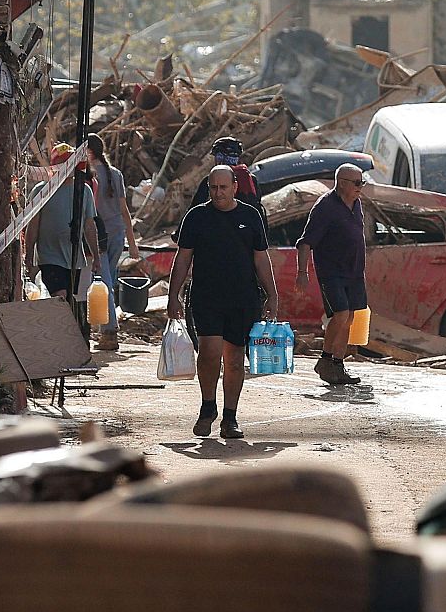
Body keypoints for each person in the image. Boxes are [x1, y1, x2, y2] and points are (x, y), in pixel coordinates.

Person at [167, 166, 279, 439]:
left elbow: (261, 258)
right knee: (209, 353)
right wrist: (173, 294)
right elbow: (183, 258)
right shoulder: (197, 217)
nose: (218, 193)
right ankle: (208, 408)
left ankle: (230, 417)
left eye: (223, 188)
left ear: (234, 188)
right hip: (206, 297)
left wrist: (272, 295)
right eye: (213, 188)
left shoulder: (250, 216)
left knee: (235, 359)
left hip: (243, 298)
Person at [296, 163, 367, 386]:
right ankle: (325, 360)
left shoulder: (356, 204)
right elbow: (305, 243)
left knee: (351, 318)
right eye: (356, 183)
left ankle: (337, 364)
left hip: (354, 271)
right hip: (332, 271)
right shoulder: (325, 207)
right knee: (341, 314)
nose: (360, 187)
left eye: (361, 182)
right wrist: (302, 272)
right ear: (342, 183)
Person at [24, 142, 98, 302]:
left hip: (74, 258)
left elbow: (89, 226)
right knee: (60, 296)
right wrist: (29, 255)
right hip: (49, 257)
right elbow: (33, 226)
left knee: (69, 299)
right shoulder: (41, 191)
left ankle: (64, 326)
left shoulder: (84, 191)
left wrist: (97, 257)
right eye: (64, 163)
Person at [86, 134, 140, 349]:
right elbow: (124, 210)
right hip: (117, 230)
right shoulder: (115, 174)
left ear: (89, 152)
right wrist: (132, 241)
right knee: (109, 278)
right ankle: (105, 329)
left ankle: (109, 331)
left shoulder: (86, 174)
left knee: (102, 280)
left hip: (99, 234)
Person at [190, 136, 263, 217]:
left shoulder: (211, 180)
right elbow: (258, 208)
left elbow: (194, 211)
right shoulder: (251, 179)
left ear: (220, 158)